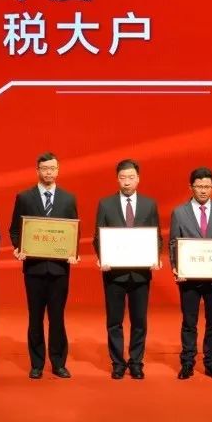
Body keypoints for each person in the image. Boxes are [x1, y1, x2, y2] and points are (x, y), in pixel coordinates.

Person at [9, 152, 80, 379]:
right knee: (35, 317)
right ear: (37, 171)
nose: (48, 172)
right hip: (34, 268)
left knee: (57, 317)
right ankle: (37, 363)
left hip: (59, 269)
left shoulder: (68, 199)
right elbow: (15, 229)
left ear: (58, 170)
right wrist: (19, 247)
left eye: (52, 168)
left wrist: (73, 252)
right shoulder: (24, 197)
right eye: (44, 168)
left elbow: (73, 231)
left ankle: (58, 363)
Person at [92, 159, 162, 379]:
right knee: (114, 321)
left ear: (138, 179)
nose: (127, 182)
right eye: (123, 177)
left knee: (139, 320)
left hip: (140, 273)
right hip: (114, 273)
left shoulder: (149, 204)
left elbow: (156, 236)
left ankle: (136, 362)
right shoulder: (106, 204)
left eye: (131, 177)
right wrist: (102, 257)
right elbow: (98, 237)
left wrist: (155, 257)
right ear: (117, 179)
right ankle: (117, 363)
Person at [168, 166, 212, 380]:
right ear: (191, 187)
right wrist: (176, 267)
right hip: (189, 277)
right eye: (199, 186)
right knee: (189, 322)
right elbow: (173, 243)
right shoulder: (179, 212)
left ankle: (211, 362)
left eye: (207, 186)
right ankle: (187, 362)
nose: (203, 190)